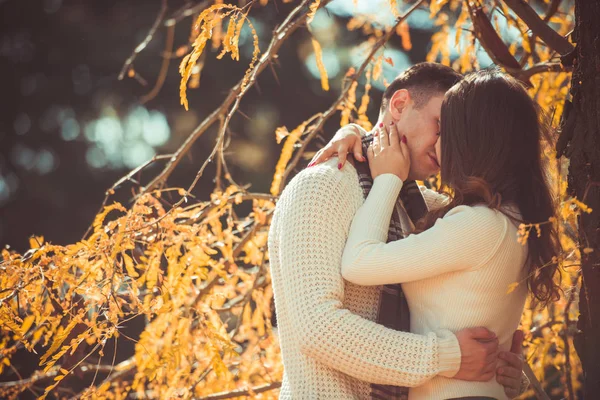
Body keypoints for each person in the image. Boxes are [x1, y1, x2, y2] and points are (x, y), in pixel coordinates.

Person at [268, 63, 527, 399]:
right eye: (440, 125)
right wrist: (446, 356)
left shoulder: (432, 208)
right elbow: (318, 328)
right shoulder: (322, 186)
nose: (448, 142)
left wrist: (503, 369)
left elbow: (466, 306)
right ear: (400, 105)